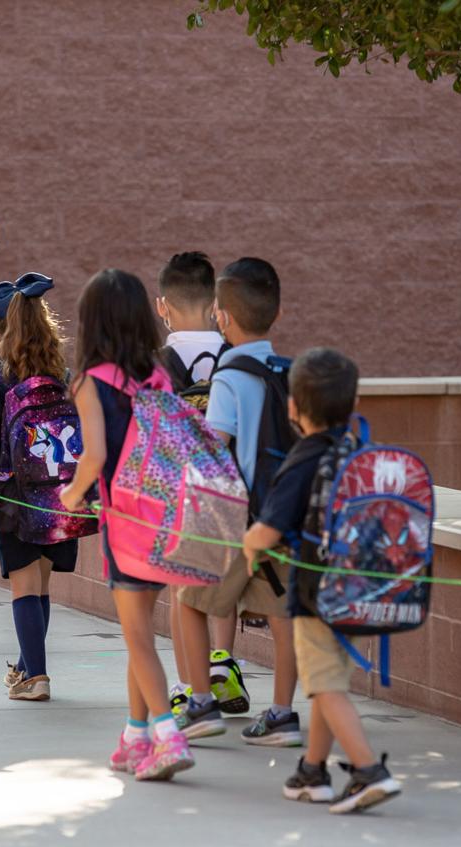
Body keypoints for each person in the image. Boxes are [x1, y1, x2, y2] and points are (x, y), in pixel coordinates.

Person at [245, 347, 402, 814]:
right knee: (326, 680)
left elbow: (268, 530)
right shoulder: (355, 452)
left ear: (293, 408)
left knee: (325, 687)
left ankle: (368, 769)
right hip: (356, 591)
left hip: (315, 597)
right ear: (352, 407)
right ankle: (312, 771)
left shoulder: (302, 459)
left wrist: (250, 544)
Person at [59, 269, 194, 781]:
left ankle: (167, 734)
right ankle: (136, 735)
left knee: (137, 637)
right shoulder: (158, 376)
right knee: (142, 628)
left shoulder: (91, 382)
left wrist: (70, 496)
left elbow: (93, 458)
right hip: (169, 519)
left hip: (127, 523)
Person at [176, 258, 301, 746]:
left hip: (232, 518)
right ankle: (283, 713)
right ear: (279, 313)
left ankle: (202, 702)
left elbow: (216, 446)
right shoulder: (289, 371)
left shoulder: (229, 372)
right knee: (282, 613)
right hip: (281, 515)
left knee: (189, 601)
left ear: (221, 317)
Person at [0, 274, 77, 702]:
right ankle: (29, 666)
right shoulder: (62, 377)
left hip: (13, 500)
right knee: (41, 585)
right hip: (59, 497)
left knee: (23, 586)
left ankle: (36, 677)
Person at [154, 252, 249, 716]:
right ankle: (223, 663)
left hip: (179, 494)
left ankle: (189, 686)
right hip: (232, 490)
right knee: (224, 584)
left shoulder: (156, 364)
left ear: (162, 306)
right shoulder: (236, 359)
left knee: (182, 592)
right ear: (215, 303)